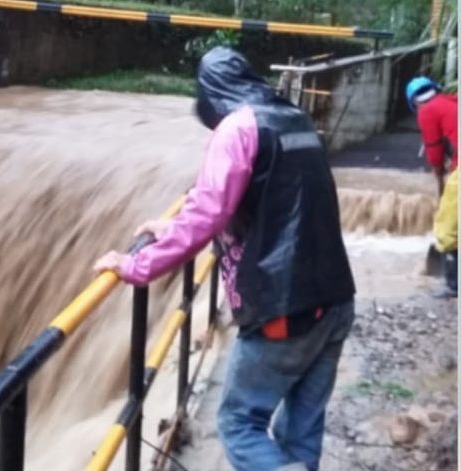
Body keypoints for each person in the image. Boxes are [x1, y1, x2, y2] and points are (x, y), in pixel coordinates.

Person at [94, 47, 355, 471]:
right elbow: (265, 200)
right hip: (337, 298)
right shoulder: (294, 118)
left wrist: (135, 266)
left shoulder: (238, 128)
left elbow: (208, 211)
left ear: (209, 93)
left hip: (284, 307)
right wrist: (170, 230)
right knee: (302, 430)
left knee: (238, 423)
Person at [405, 76, 457, 298]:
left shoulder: (427, 111)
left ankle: (453, 286)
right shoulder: (452, 103)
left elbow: (435, 151)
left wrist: (439, 172)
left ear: (414, 102)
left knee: (448, 229)